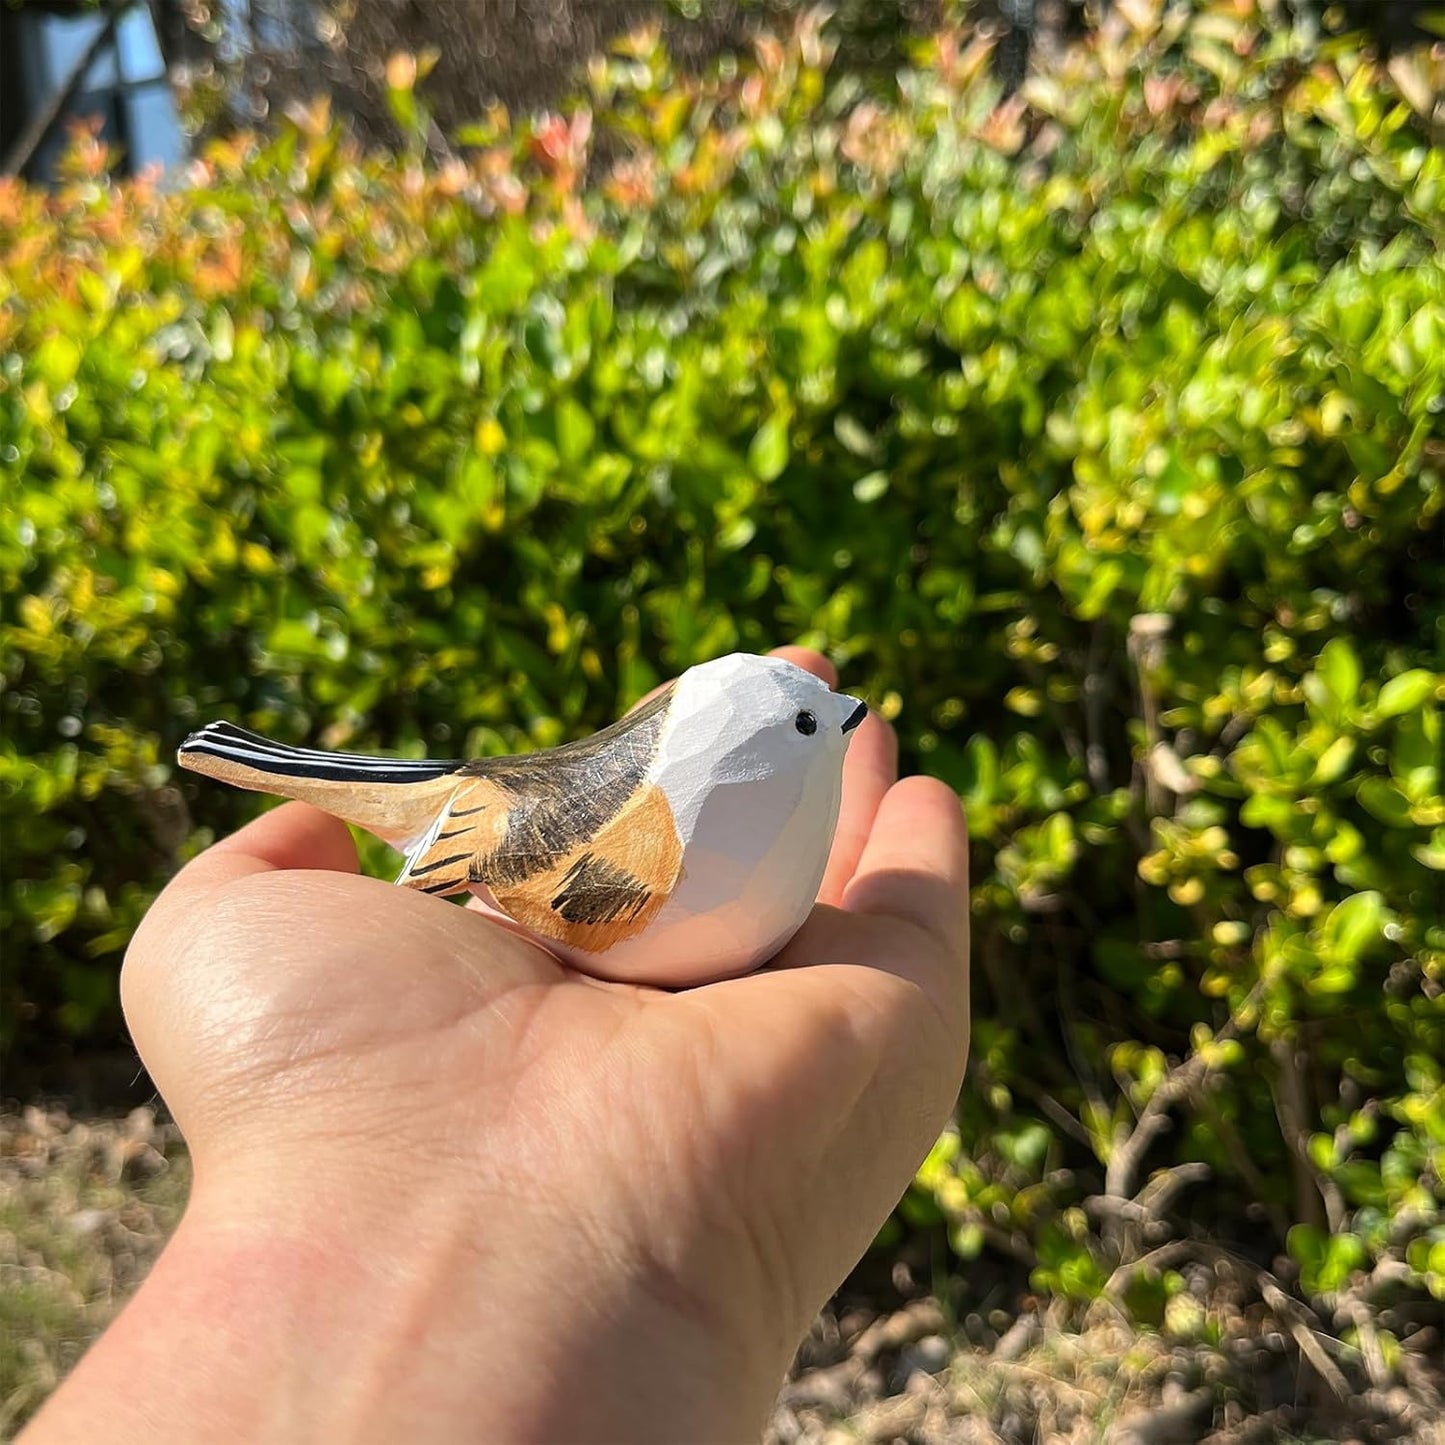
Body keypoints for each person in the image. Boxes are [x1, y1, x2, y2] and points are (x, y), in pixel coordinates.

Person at [25, 649, 970, 1444]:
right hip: (488, 817)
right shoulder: (655, 846)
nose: (839, 722)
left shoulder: (761, 821)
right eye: (807, 726)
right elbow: (509, 850)